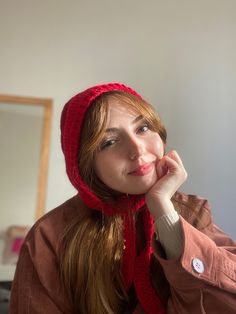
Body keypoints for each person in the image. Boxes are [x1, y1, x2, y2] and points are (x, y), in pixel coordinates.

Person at [10, 83, 236, 314]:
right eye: (109, 142)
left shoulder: (192, 211)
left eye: (143, 128)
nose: (137, 149)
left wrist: (166, 217)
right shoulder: (49, 236)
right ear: (86, 165)